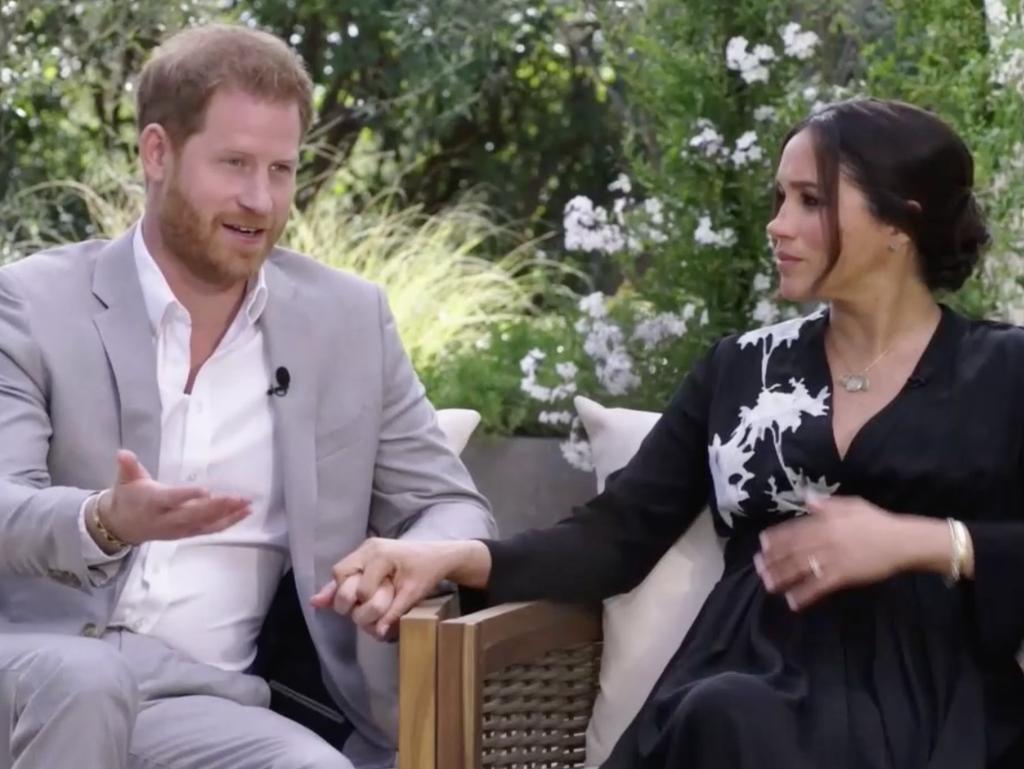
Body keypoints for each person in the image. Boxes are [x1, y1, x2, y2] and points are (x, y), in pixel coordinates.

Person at [326, 98, 1024, 768]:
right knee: (727, 715)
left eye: (810, 201)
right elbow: (614, 536)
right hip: (753, 688)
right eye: (778, 199)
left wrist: (925, 542)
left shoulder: (1003, 373)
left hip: (942, 704)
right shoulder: (741, 370)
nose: (779, 224)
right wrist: (452, 557)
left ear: (900, 223)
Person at [0, 23, 495, 769]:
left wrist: (415, 552)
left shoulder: (347, 323)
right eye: (233, 163)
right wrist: (103, 519)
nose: (260, 199)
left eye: (282, 169)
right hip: (35, 667)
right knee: (87, 681)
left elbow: (450, 501)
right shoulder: (32, 303)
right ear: (157, 153)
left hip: (201, 700)